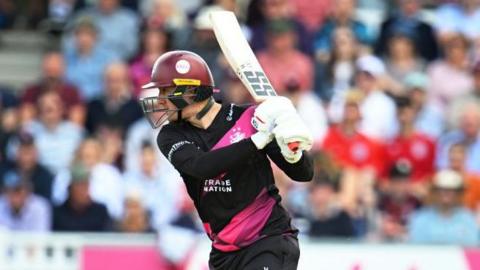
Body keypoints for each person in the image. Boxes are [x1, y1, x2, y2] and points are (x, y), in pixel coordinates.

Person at [139, 50, 314, 269]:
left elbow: (304, 173)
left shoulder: (250, 118)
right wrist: (258, 139)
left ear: (190, 90)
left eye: (166, 91)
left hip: (268, 238)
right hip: (224, 252)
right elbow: (201, 166)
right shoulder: (170, 135)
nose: (161, 99)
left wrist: (292, 150)